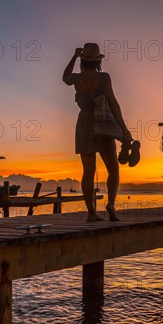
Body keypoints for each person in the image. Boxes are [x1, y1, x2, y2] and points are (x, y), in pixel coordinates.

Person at [63, 43, 134, 221]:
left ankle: (91, 212)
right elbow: (112, 101)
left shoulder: (77, 79)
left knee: (88, 170)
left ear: (82, 60)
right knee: (113, 169)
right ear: (97, 62)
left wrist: (74, 55)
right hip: (102, 124)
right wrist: (123, 127)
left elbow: (65, 77)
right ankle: (111, 204)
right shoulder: (103, 78)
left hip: (84, 123)